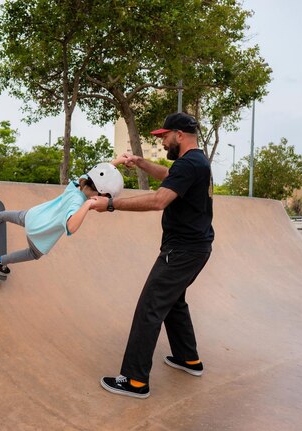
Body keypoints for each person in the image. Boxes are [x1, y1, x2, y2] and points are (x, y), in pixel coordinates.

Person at [93, 112, 214, 399]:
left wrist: (111, 205)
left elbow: (160, 200)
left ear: (180, 135)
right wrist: (141, 163)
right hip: (196, 247)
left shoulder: (189, 163)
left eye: (164, 137)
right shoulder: (196, 162)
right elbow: (169, 176)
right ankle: (188, 358)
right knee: (173, 302)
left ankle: (135, 380)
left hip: (182, 250)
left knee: (150, 307)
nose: (161, 142)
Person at [0, 161, 125, 279]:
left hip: (34, 216)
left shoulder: (78, 184)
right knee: (32, 254)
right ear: (100, 194)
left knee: (19, 216)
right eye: (107, 198)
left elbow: (100, 175)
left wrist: (117, 162)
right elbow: (71, 227)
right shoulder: (78, 203)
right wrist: (89, 203)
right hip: (40, 234)